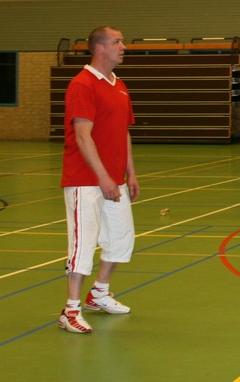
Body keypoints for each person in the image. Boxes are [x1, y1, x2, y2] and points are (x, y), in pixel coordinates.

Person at [59, 26, 139, 334]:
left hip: (114, 180)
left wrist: (130, 173)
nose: (123, 46)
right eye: (117, 42)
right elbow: (82, 135)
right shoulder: (82, 84)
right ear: (99, 48)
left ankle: (99, 293)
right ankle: (71, 309)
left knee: (121, 239)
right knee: (83, 244)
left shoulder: (119, 85)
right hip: (85, 180)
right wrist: (103, 177)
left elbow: (123, 133)